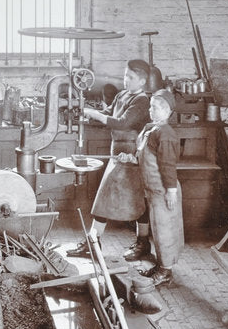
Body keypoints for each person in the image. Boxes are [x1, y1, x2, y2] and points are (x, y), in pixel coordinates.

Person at [68, 59, 152, 260]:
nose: (125, 80)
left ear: (142, 81)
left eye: (130, 77)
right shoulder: (123, 95)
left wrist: (93, 113)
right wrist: (87, 114)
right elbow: (109, 113)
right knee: (125, 200)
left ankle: (140, 243)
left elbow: (122, 124)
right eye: (125, 75)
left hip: (131, 156)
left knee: (132, 202)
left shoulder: (142, 101)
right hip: (118, 152)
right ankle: (99, 243)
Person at [119, 88, 183, 286]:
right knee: (157, 228)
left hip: (164, 190)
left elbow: (168, 165)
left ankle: (166, 271)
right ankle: (161, 266)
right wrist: (130, 157)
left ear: (167, 111)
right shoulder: (150, 129)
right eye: (150, 107)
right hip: (153, 190)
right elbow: (144, 157)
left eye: (155, 107)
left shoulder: (166, 133)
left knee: (166, 231)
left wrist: (171, 191)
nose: (151, 111)